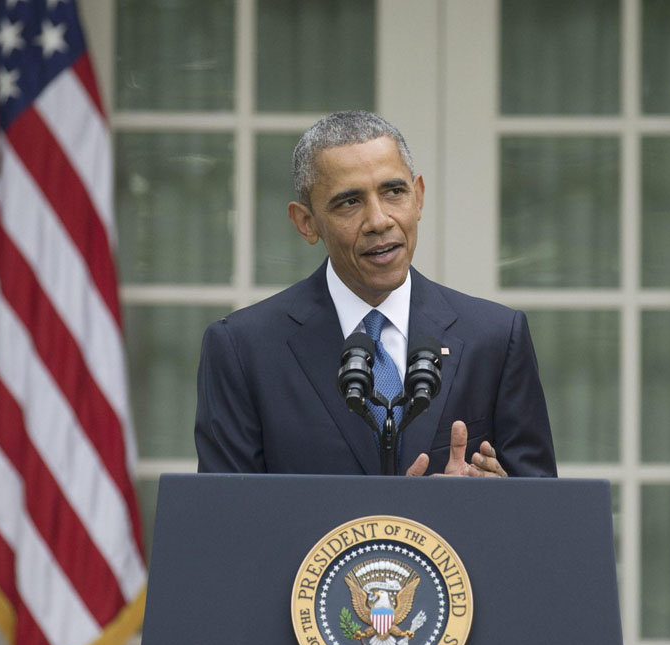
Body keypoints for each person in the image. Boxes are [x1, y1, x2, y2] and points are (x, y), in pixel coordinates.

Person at [195, 111, 556, 478]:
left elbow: (543, 517)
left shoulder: (495, 337)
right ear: (306, 223)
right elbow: (226, 523)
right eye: (349, 202)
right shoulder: (243, 350)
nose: (379, 220)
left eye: (394, 192)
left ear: (418, 197)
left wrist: (494, 498)